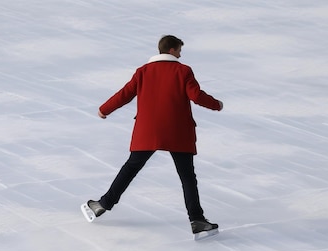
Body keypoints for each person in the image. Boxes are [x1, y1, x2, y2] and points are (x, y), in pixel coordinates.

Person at [83, 35, 223, 234]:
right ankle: (197, 220)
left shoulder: (143, 71)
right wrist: (216, 104)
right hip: (177, 131)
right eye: (180, 50)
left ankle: (102, 205)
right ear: (172, 50)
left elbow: (125, 93)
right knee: (187, 177)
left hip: (148, 131)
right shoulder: (183, 71)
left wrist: (104, 110)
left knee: (131, 167)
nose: (181, 55)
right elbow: (196, 95)